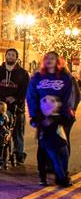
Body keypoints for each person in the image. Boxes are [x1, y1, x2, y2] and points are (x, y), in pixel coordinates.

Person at [27, 50, 77, 187]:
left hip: (59, 118)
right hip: (42, 118)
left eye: (53, 58)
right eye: (47, 58)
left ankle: (61, 174)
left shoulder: (65, 77)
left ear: (57, 61)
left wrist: (65, 115)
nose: (49, 60)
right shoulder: (37, 77)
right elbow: (31, 96)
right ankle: (43, 175)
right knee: (43, 147)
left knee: (62, 147)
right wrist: (34, 115)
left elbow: (69, 97)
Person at [0, 47, 30, 166]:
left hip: (16, 108)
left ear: (16, 58)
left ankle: (19, 152)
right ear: (5, 57)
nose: (10, 57)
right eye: (9, 55)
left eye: (13, 55)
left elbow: (25, 90)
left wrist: (16, 98)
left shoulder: (23, 74)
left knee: (17, 131)